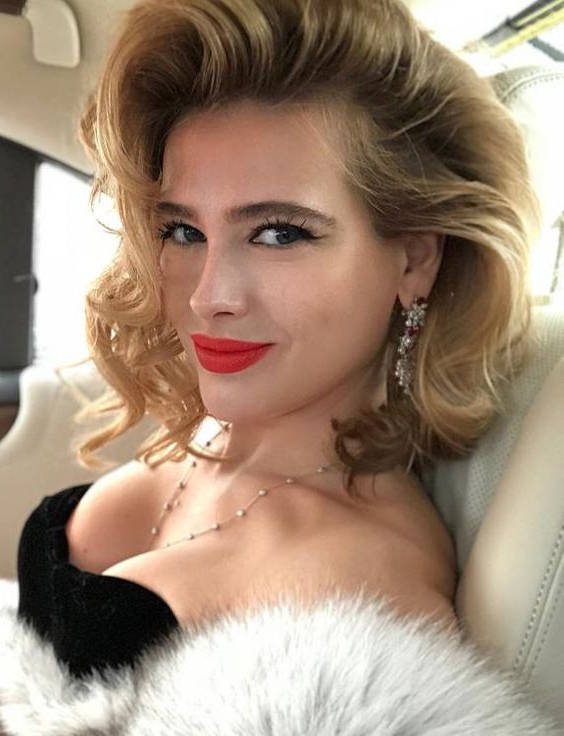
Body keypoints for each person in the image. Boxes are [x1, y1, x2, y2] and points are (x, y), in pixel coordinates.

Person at [31, 0, 536, 642]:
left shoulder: (360, 594)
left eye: (278, 233)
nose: (208, 296)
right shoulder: (206, 447)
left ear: (414, 260)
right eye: (183, 230)